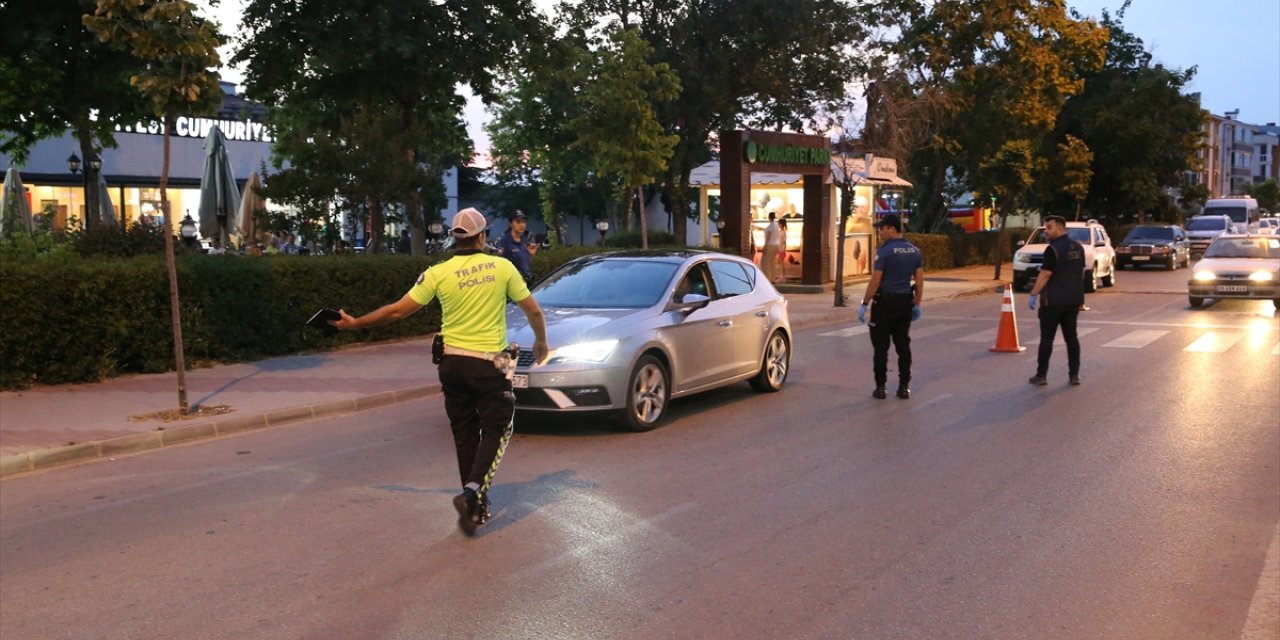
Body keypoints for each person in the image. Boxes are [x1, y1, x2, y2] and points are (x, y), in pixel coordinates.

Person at [332, 207, 550, 536]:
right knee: (499, 429)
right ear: (482, 236)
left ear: (454, 238)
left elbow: (396, 312)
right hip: (490, 363)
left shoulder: (437, 272)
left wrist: (355, 323)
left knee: (465, 435)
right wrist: (541, 343)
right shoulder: (502, 267)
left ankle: (473, 506)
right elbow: (533, 309)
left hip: (451, 364)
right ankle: (473, 491)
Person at [857, 214, 923, 399]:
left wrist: (864, 303)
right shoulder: (914, 251)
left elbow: (876, 280)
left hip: (884, 304)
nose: (880, 231)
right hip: (904, 303)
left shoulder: (884, 252)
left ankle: (881, 387)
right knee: (903, 345)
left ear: (892, 229)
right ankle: (904, 387)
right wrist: (917, 303)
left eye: (883, 228)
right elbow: (919, 280)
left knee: (881, 347)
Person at [1027, 215, 1085, 386]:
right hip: (1072, 301)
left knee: (1047, 339)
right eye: (1045, 228)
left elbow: (1045, 273)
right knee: (1071, 339)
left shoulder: (1052, 250)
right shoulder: (1078, 247)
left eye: (1049, 228)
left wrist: (1034, 293)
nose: (1046, 231)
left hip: (1052, 302)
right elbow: (1080, 272)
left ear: (1060, 228)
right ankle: (1074, 375)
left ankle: (1041, 375)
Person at [494, 210, 538, 284]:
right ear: (511, 224)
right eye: (518, 222)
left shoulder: (524, 240)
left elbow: (524, 263)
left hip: (527, 281)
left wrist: (530, 254)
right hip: (514, 284)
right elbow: (501, 264)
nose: (521, 225)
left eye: (523, 222)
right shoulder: (504, 241)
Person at [761, 212, 781, 282]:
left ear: (769, 217)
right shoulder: (776, 225)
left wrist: (765, 246)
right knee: (772, 263)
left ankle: (767, 279)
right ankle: (772, 278)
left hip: (770, 245)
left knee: (765, 262)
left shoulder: (771, 226)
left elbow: (768, 237)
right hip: (776, 245)